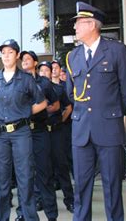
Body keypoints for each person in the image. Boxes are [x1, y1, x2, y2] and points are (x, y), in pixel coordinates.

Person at [66, 1, 126, 221]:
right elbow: (71, 94)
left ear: (92, 25)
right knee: (81, 187)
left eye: (78, 23)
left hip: (108, 129)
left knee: (112, 186)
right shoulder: (72, 56)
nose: (75, 27)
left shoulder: (117, 50)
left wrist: (111, 114)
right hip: (81, 131)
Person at [0, 39, 47, 221]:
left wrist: (25, 113)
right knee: (1, 179)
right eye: (3, 53)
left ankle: (28, 217)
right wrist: (1, 116)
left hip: (21, 133)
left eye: (10, 52)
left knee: (25, 176)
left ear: (17, 55)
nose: (6, 56)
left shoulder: (26, 79)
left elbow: (42, 103)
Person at [19, 51, 59, 221]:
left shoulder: (44, 82)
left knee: (44, 173)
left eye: (28, 59)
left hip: (40, 131)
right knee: (24, 174)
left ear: (35, 62)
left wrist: (42, 110)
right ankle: (23, 213)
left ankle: (51, 214)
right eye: (23, 60)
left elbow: (56, 104)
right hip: (22, 132)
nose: (25, 62)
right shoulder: (17, 81)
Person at [38, 61, 75, 213]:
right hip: (41, 132)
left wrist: (61, 120)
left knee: (62, 166)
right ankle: (40, 199)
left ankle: (70, 200)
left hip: (56, 131)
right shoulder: (35, 89)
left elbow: (69, 107)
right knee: (41, 168)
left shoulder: (60, 89)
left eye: (49, 70)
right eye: (43, 70)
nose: (46, 73)